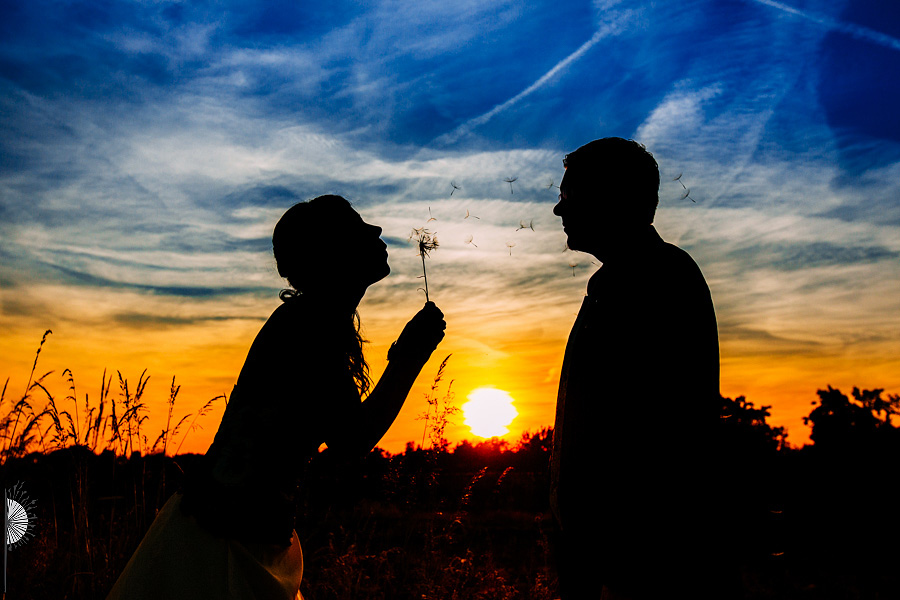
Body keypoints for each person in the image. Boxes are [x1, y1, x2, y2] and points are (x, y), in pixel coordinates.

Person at [107, 195, 446, 600]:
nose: (375, 230)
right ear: (332, 251)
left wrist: (407, 356)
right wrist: (409, 358)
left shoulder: (310, 321)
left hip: (227, 534)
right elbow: (352, 439)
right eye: (358, 226)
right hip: (220, 548)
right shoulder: (309, 327)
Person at [548, 138, 735, 599]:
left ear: (609, 198)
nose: (557, 210)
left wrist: (600, 546)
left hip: (645, 563)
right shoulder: (618, 281)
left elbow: (652, 434)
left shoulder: (660, 279)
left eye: (569, 196)